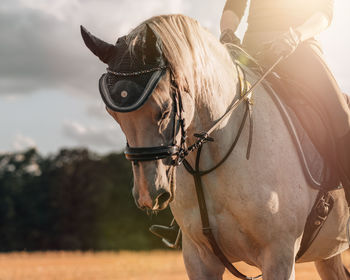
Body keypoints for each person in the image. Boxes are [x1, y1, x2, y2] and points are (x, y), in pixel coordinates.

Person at [151, 0, 350, 246]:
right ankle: (188, 220)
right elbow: (234, 7)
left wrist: (295, 35)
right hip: (252, 48)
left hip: (299, 48)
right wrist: (227, 31)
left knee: (341, 115)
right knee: (210, 107)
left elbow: (323, 14)